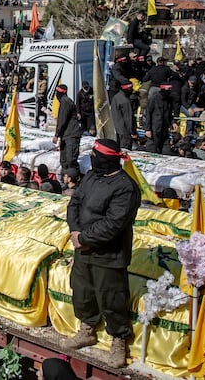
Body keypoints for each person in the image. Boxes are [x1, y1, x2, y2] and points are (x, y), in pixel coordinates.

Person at [64, 138, 141, 368]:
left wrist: (85, 239)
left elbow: (113, 224)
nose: (93, 161)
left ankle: (118, 339)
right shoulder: (91, 177)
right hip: (83, 249)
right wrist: (75, 231)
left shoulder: (125, 187)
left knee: (112, 297)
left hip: (109, 254)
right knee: (82, 290)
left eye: (97, 158)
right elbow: (74, 203)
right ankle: (87, 328)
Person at [53, 84, 82, 174]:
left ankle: (73, 180)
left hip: (71, 134)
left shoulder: (65, 102)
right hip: (66, 135)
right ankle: (65, 178)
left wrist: (56, 135)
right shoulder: (65, 101)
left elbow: (62, 120)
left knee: (70, 160)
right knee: (64, 160)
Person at [144, 83, 173, 154]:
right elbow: (148, 114)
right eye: (168, 89)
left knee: (166, 151)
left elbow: (169, 114)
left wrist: (173, 122)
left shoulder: (168, 99)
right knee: (152, 151)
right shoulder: (154, 98)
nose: (170, 91)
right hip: (154, 129)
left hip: (164, 129)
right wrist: (147, 129)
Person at [111, 82, 136, 150]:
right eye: (130, 88)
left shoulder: (116, 97)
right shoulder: (125, 101)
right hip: (124, 131)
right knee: (125, 151)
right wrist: (132, 131)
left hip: (117, 129)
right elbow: (128, 118)